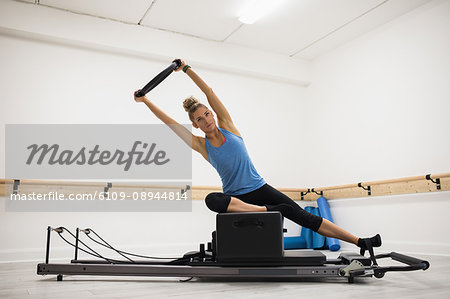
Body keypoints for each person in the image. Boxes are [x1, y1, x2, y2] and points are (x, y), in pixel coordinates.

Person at [134, 59, 381, 253]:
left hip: (260, 189)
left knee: (302, 216)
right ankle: (265, 210)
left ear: (212, 114)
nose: (206, 120)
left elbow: (208, 92)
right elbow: (170, 124)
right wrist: (145, 101)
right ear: (196, 125)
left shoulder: (228, 127)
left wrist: (187, 69)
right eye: (199, 119)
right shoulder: (200, 145)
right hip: (235, 199)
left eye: (207, 114)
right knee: (212, 200)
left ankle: (360, 241)